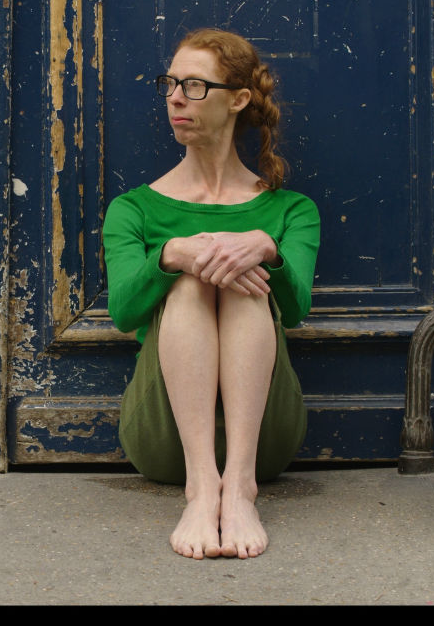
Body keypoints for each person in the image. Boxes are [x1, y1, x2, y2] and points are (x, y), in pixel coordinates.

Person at [102, 28, 320, 560]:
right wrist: (170, 255)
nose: (175, 97)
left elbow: (293, 312)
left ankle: (239, 488)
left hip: (265, 440)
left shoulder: (291, 211)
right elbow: (125, 313)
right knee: (193, 278)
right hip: (165, 441)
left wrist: (266, 246)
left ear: (239, 99)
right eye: (171, 84)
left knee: (244, 279)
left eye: (195, 86)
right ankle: (201, 488)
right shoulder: (134, 209)